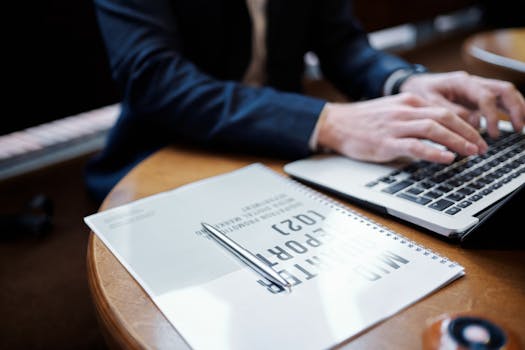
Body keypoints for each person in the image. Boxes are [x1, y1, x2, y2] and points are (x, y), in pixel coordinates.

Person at [85, 0, 525, 202]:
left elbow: (343, 46)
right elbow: (156, 81)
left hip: (286, 145)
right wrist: (328, 122)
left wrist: (404, 83)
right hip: (169, 153)